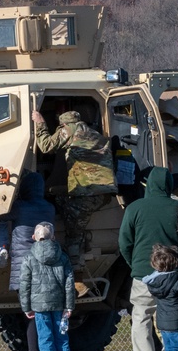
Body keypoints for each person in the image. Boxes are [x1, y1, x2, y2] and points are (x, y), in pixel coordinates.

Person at [118, 166, 178, 351]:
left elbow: (124, 242)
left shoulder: (134, 208)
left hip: (142, 273)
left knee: (141, 317)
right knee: (169, 319)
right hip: (172, 274)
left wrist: (135, 264)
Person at [32, 109, 117, 267]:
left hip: (87, 192)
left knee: (71, 226)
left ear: (64, 124)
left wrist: (40, 123)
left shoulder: (69, 129)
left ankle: (75, 268)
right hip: (104, 193)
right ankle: (84, 247)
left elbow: (45, 146)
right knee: (78, 216)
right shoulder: (93, 133)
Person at [8, 172, 55, 351]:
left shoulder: (19, 207)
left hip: (25, 269)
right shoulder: (49, 208)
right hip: (46, 268)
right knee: (48, 315)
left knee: (31, 316)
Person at [19, 222, 76, 351]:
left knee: (45, 340)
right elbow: (69, 282)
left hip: (39, 306)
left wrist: (26, 307)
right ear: (54, 237)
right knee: (62, 340)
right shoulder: (63, 256)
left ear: (33, 238)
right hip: (59, 305)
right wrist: (69, 305)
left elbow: (24, 284)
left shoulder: (29, 257)